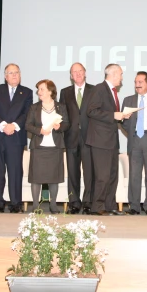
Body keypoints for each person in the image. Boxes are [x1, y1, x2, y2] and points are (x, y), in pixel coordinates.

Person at [86, 63, 130, 215]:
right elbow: (91, 111)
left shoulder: (112, 91)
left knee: (112, 175)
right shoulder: (99, 88)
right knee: (102, 176)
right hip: (100, 140)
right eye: (121, 74)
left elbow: (109, 114)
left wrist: (122, 116)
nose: (122, 78)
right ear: (114, 74)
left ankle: (109, 206)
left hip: (111, 140)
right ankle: (97, 207)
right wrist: (113, 115)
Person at [0, 63, 32, 213]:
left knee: (15, 171)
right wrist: (3, 125)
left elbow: (27, 113)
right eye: (11, 73)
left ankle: (15, 203)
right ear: (5, 76)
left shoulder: (26, 92)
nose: (15, 75)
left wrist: (13, 125)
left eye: (17, 72)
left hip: (16, 137)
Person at [26, 80, 70, 214]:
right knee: (36, 178)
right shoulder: (34, 107)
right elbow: (28, 125)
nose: (39, 92)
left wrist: (59, 127)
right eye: (38, 90)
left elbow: (67, 123)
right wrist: (39, 130)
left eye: (42, 89)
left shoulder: (60, 107)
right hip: (39, 147)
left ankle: (53, 205)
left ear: (50, 91)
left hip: (54, 147)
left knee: (54, 178)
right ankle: (35, 206)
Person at [121, 72, 147, 215]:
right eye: (136, 81)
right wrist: (131, 128)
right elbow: (123, 123)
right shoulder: (128, 100)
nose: (138, 84)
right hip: (135, 139)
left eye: (141, 81)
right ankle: (134, 206)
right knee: (134, 175)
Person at [58, 62, 93, 214]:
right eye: (74, 72)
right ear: (71, 76)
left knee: (89, 172)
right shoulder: (65, 92)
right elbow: (63, 115)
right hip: (71, 137)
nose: (77, 74)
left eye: (80, 71)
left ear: (85, 73)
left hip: (89, 137)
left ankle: (88, 202)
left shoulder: (94, 90)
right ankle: (74, 203)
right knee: (72, 172)